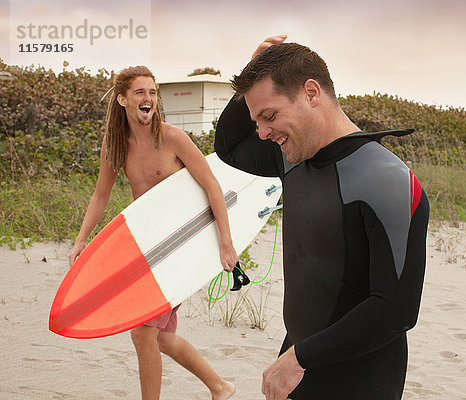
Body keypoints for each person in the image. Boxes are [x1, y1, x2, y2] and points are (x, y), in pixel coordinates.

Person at [215, 35, 430, 400]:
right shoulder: (291, 157)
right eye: (257, 120)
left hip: (360, 379)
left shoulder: (388, 181)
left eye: (269, 116)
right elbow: (230, 146)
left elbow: (396, 309)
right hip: (299, 364)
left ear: (312, 93)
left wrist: (300, 357)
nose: (263, 133)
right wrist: (250, 84)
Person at [69, 65, 237, 400]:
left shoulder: (172, 138)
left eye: (152, 92)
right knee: (158, 337)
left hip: (180, 246)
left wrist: (225, 243)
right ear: (122, 100)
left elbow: (211, 185)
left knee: (143, 331)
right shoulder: (115, 144)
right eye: (140, 92)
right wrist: (81, 239)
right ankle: (220, 387)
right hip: (148, 247)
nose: (148, 99)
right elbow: (100, 195)